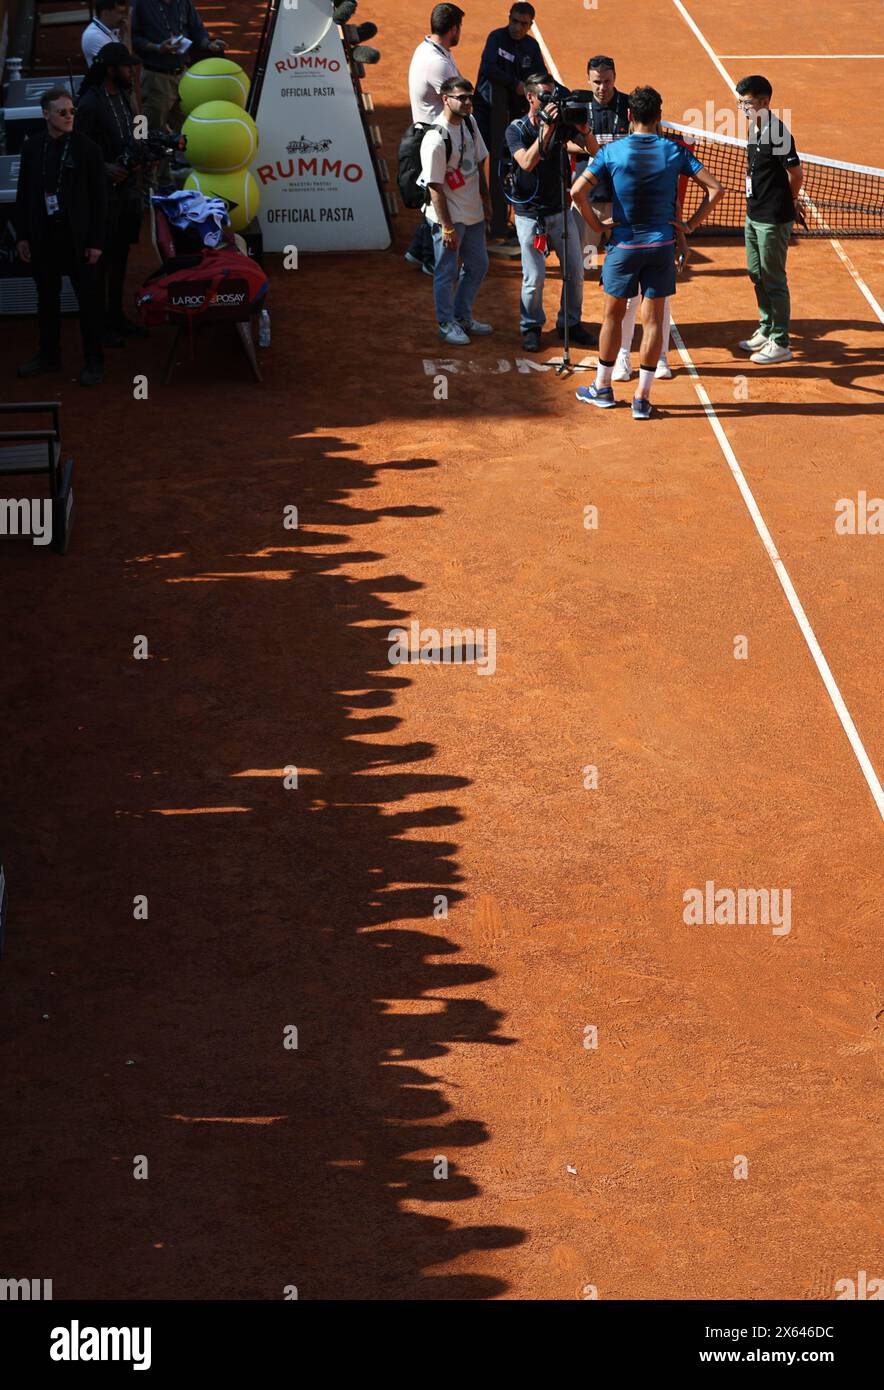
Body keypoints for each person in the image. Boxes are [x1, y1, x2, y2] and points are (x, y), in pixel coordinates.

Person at [571, 85, 722, 419]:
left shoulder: (611, 152)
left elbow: (576, 191)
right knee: (653, 321)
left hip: (623, 247)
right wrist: (689, 227)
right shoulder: (674, 151)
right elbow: (715, 189)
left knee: (613, 316)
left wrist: (597, 228)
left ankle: (603, 388)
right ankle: (642, 398)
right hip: (661, 248)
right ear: (659, 116)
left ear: (629, 116)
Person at [14, 87, 107, 386]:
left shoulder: (88, 149)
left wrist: (95, 242)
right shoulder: (32, 147)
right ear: (45, 114)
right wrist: (23, 236)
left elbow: (99, 201)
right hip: (44, 237)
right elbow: (24, 194)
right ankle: (49, 355)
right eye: (62, 112)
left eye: (72, 112)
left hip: (78, 238)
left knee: (88, 301)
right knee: (47, 299)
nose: (69, 117)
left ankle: (94, 360)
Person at [504, 71, 598, 352]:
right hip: (530, 215)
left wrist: (584, 130)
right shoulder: (516, 130)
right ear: (530, 97)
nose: (549, 101)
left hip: (560, 211)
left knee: (575, 272)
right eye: (544, 96)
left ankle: (570, 323)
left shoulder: (561, 126)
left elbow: (595, 152)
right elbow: (527, 163)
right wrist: (545, 128)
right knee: (534, 278)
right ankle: (531, 326)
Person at [75, 43, 148, 347]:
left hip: (127, 193)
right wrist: (104, 168)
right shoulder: (90, 104)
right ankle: (100, 324)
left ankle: (116, 316)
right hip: (102, 197)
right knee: (101, 263)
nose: (132, 71)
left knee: (120, 257)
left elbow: (133, 135)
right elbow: (75, 149)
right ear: (110, 70)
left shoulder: (124, 97)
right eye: (127, 67)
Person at [735, 75, 803, 364]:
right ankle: (766, 328)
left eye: (746, 103)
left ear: (764, 102)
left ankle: (781, 341)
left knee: (774, 278)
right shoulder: (755, 126)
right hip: (754, 214)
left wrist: (791, 201)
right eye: (739, 102)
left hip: (772, 219)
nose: (742, 107)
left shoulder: (777, 132)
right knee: (756, 272)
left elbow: (796, 175)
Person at [419, 77, 492, 344]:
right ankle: (446, 322)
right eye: (461, 97)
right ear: (445, 99)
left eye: (470, 97)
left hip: (473, 211)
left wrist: (486, 200)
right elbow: (435, 187)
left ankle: (462, 316)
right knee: (446, 271)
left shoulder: (470, 124)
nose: (467, 102)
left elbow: (479, 162)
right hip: (449, 217)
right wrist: (447, 226)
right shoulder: (436, 139)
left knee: (479, 265)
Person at [473, 3, 543, 241]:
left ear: (530, 25)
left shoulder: (531, 46)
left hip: (513, 113)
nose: (517, 27)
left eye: (523, 23)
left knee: (508, 162)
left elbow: (540, 76)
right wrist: (516, 84)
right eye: (514, 21)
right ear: (509, 18)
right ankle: (480, 213)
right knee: (479, 158)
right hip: (486, 110)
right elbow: (488, 68)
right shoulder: (496, 38)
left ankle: (503, 217)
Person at [405, 3, 465, 275]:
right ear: (453, 28)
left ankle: (417, 250)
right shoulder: (437, 63)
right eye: (459, 28)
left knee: (433, 196)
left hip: (430, 132)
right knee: (441, 195)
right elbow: (458, 99)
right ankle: (432, 258)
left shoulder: (429, 49)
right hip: (435, 137)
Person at [131, 0, 225, 143]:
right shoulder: (140, 3)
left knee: (189, 125)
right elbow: (133, 38)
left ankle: (181, 162)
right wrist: (157, 47)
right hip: (156, 78)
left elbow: (197, 29)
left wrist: (209, 44)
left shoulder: (184, 2)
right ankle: (146, 161)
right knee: (149, 130)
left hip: (183, 75)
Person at [579, 55, 630, 252]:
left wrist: (600, 146)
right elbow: (565, 143)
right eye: (597, 82)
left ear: (615, 77)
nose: (602, 88)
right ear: (588, 80)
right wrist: (601, 147)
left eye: (607, 81)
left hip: (622, 198)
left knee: (620, 256)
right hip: (589, 197)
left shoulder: (629, 105)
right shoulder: (580, 107)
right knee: (586, 258)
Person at [82, 0, 132, 69]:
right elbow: (125, 64)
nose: (124, 17)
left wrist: (124, 33)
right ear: (105, 13)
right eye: (120, 13)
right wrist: (127, 33)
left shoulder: (113, 28)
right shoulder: (94, 36)